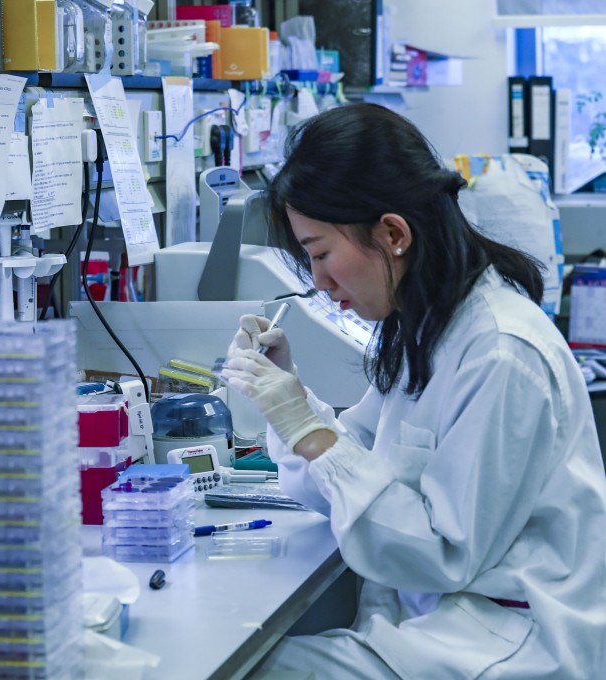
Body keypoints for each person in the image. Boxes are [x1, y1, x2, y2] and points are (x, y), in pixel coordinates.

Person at [220, 103, 606, 679]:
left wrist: (309, 429)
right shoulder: (429, 330)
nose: (319, 282)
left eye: (321, 253)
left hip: (509, 644)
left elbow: (441, 552)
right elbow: (352, 464)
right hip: (441, 623)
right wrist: (287, 405)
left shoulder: (500, 351)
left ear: (393, 234)